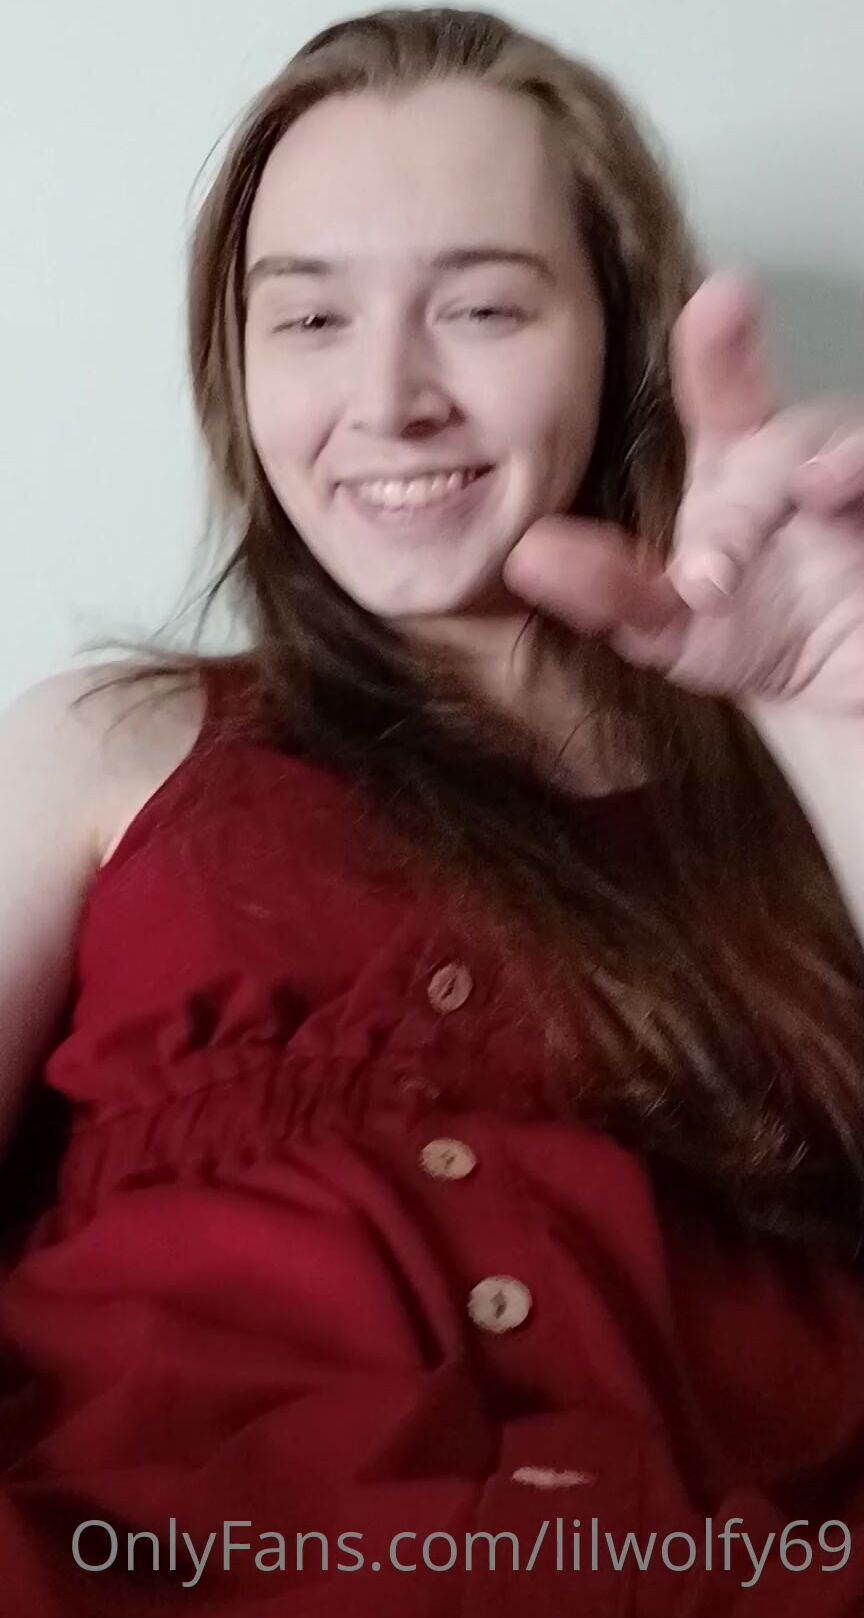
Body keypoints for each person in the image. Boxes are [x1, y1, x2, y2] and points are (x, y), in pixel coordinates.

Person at [1, 6, 864, 1614]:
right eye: (309, 318)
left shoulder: (803, 779)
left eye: (480, 306)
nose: (390, 398)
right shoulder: (109, 741)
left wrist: (837, 731)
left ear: (618, 329)